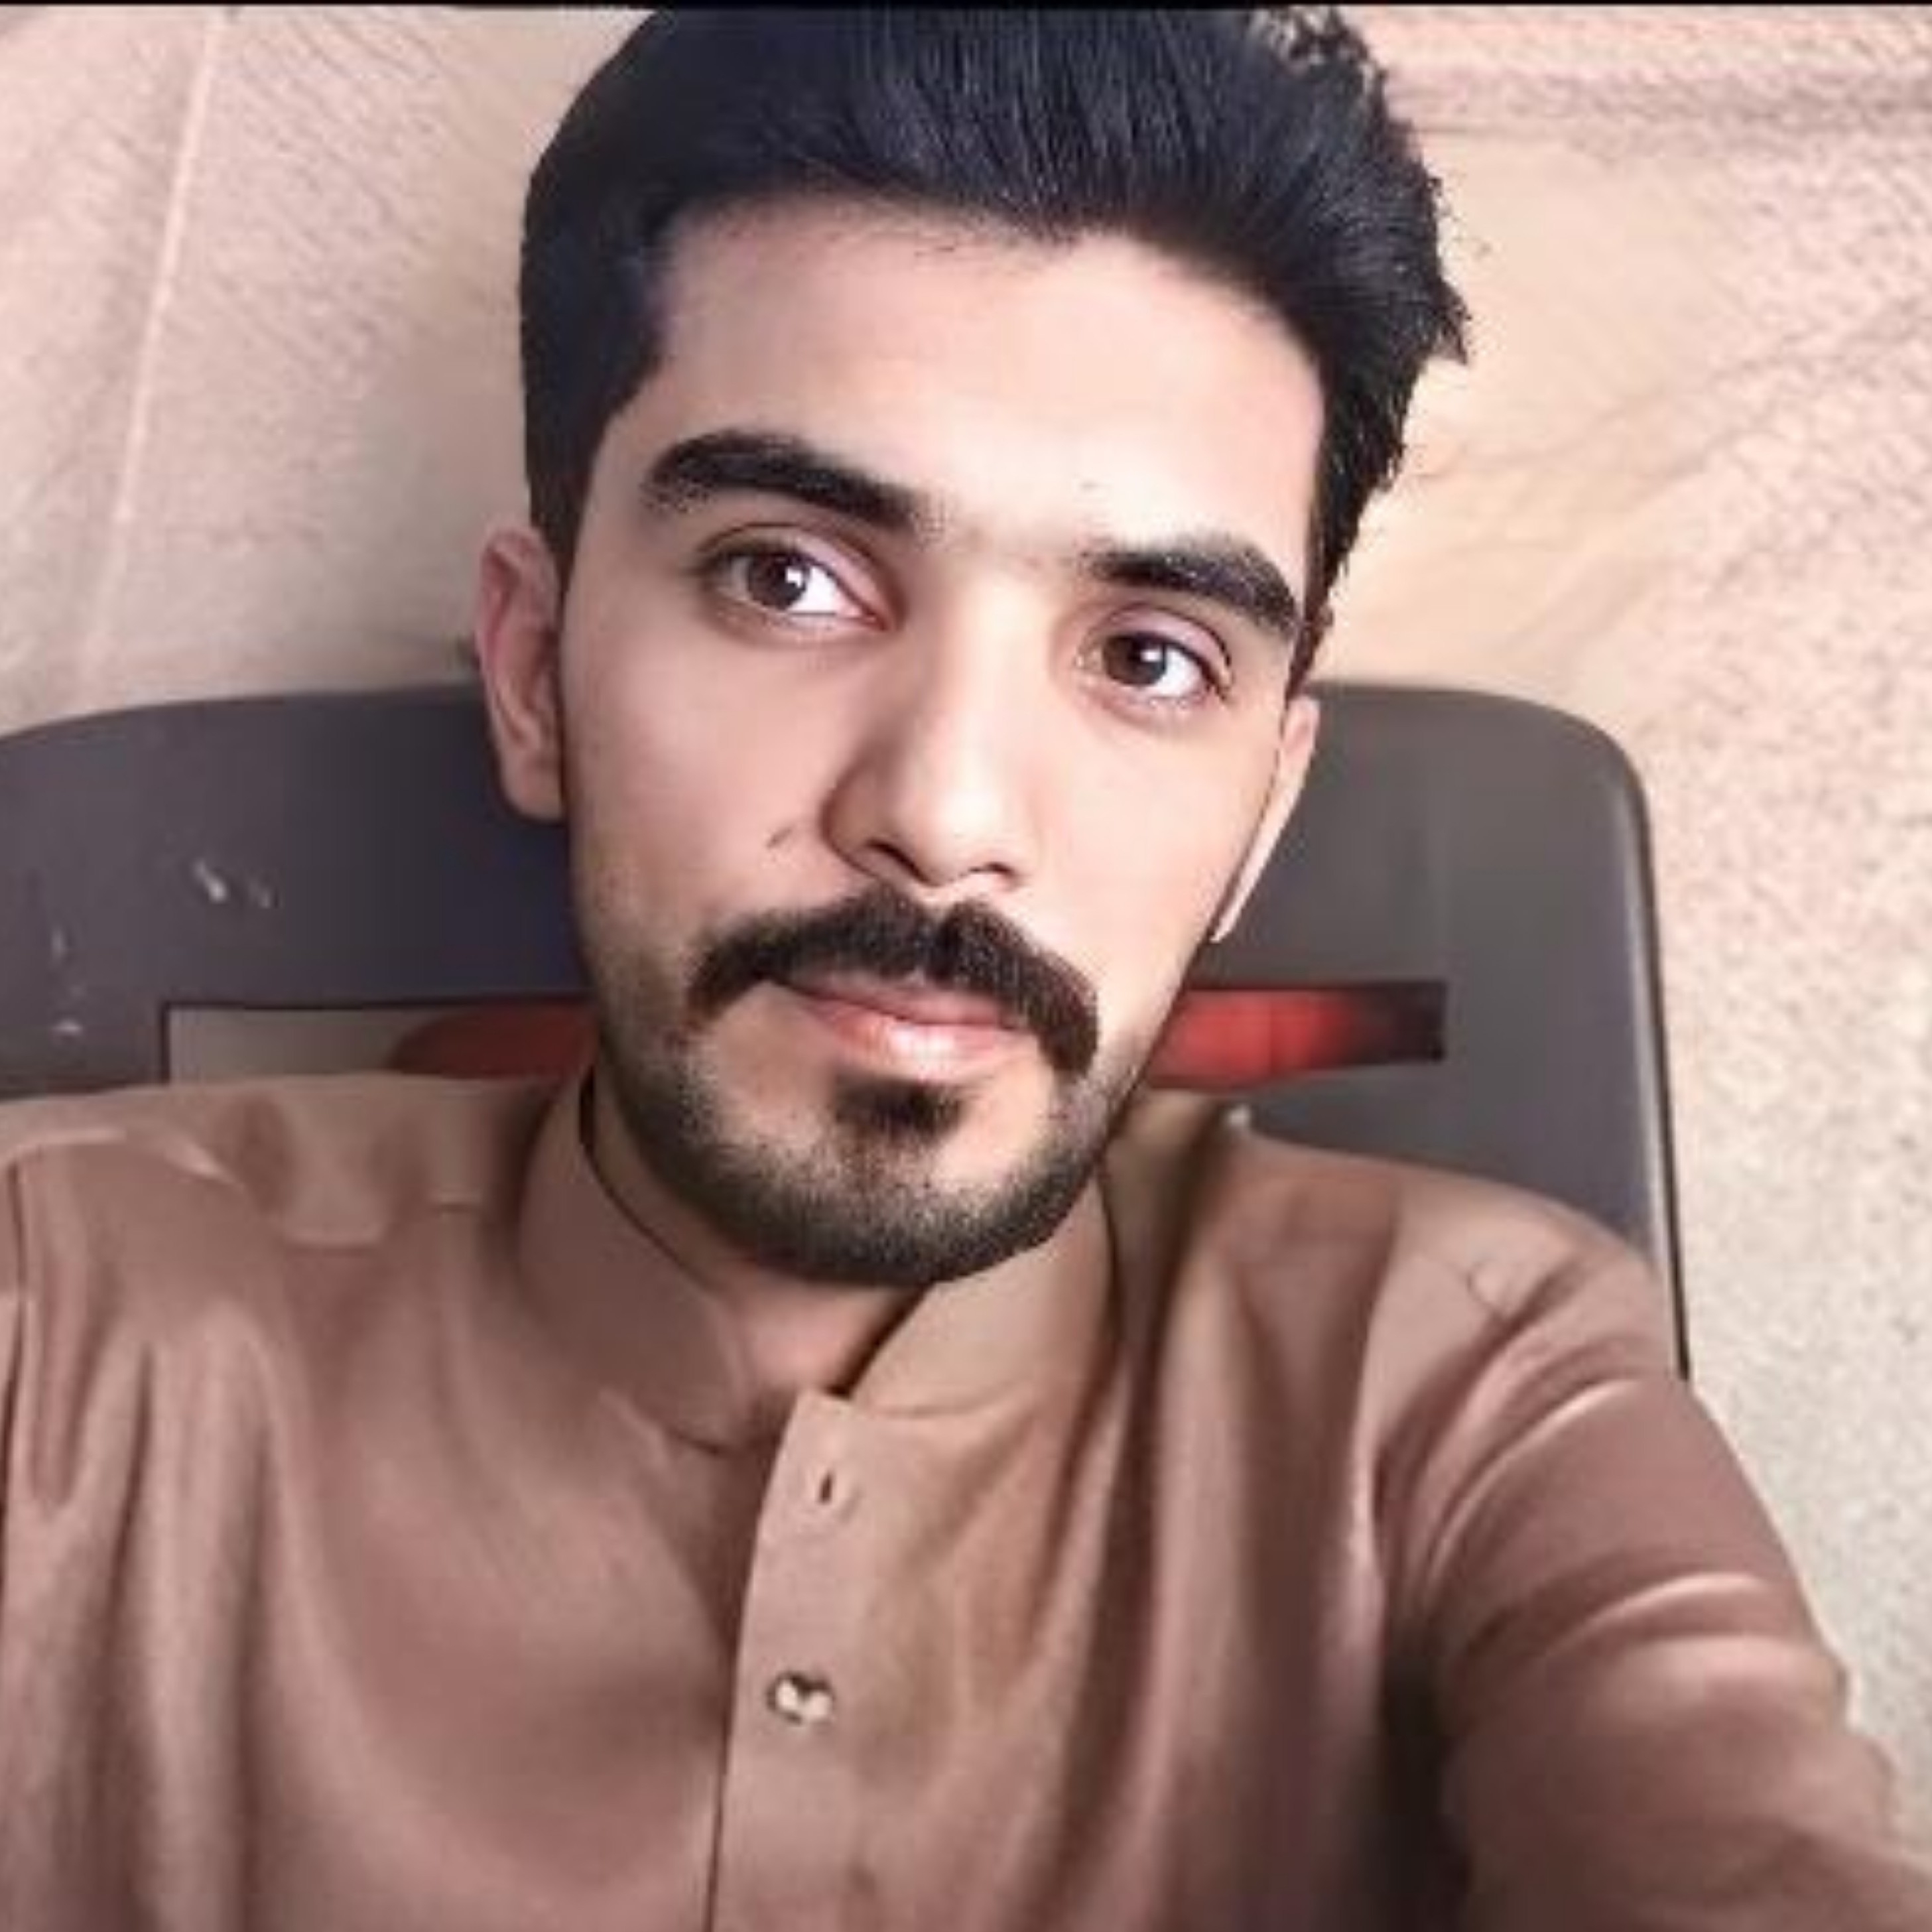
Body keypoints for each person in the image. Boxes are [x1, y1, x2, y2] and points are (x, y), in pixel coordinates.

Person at [1, 11, 1927, 1929]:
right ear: (532, 671)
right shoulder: (61, 1327)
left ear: (1261, 813)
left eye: (1150, 656)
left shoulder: (1470, 1385)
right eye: (785, 576)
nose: (943, 815)